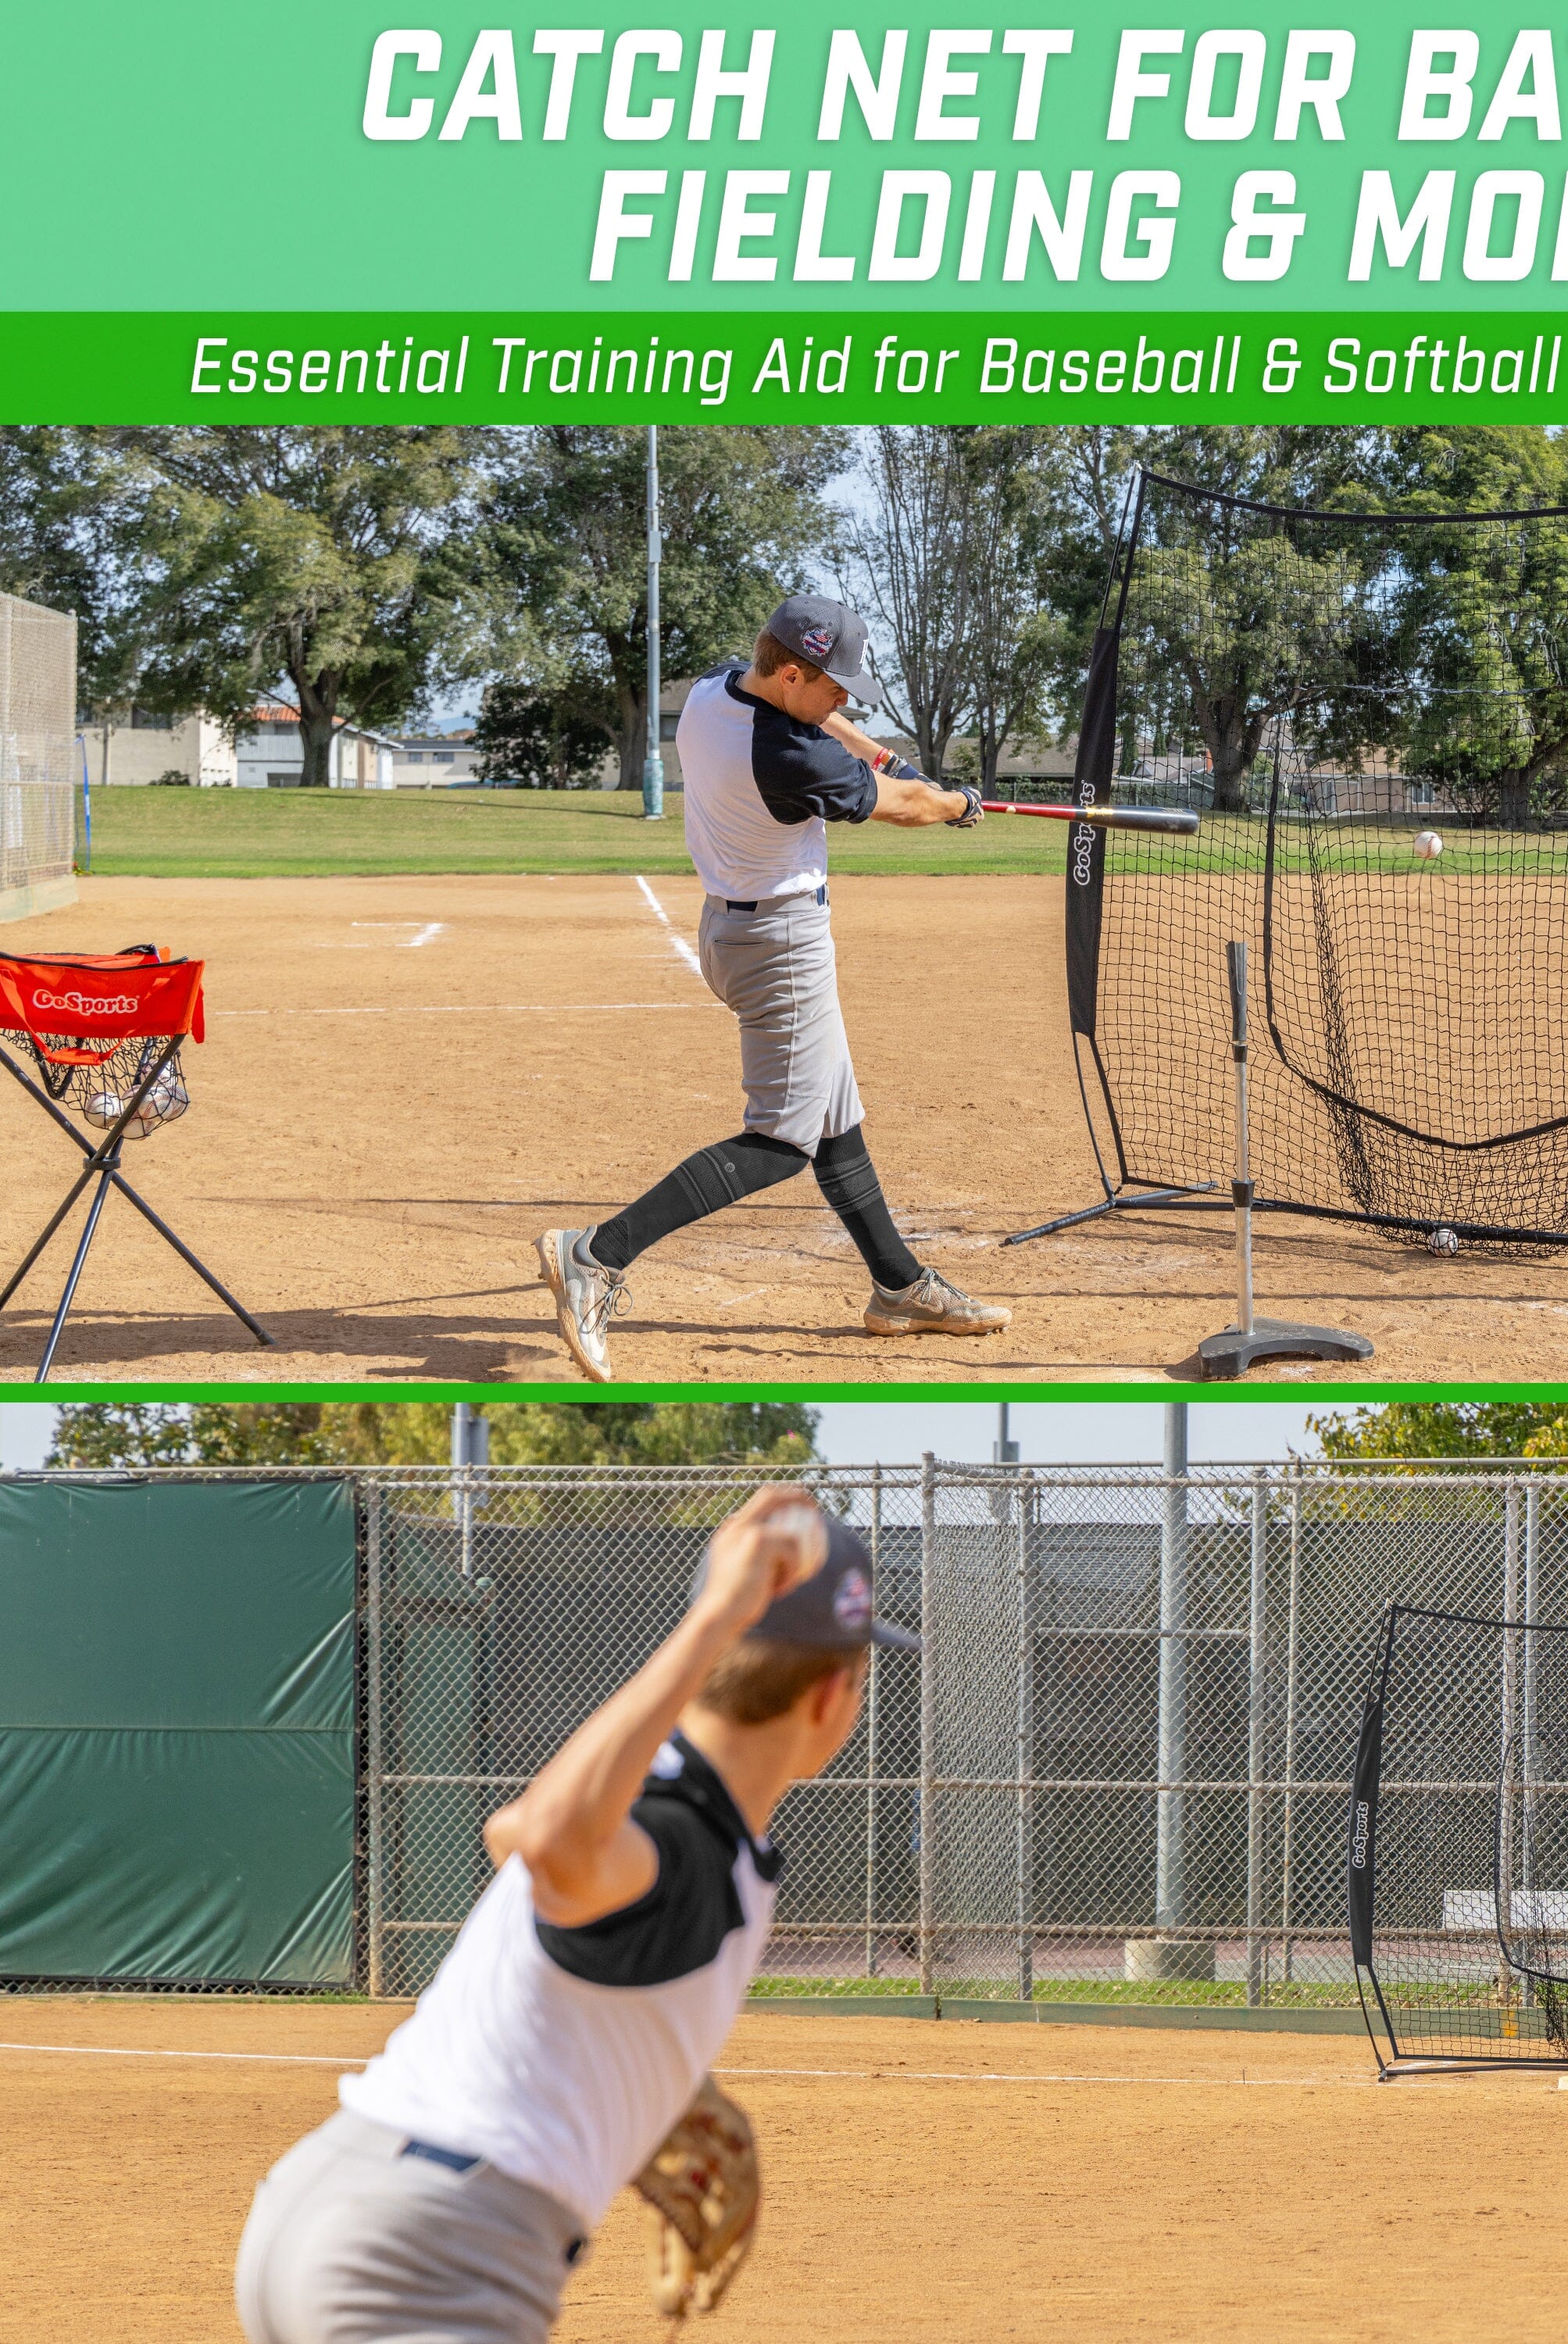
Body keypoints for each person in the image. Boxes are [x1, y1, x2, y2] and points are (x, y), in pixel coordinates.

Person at [235, 1487, 902, 2344]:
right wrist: (713, 1620)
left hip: (322, 2201)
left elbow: (512, 1832)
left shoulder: (655, 1789)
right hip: (436, 2258)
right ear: (831, 1699)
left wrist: (643, 2085)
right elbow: (547, 1842)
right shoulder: (683, 1842)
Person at [539, 591, 1009, 1379]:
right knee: (781, 1144)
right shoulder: (789, 760)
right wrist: (952, 800)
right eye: (834, 687)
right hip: (780, 951)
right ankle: (596, 1253)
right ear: (790, 671)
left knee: (834, 1121)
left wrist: (890, 757)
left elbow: (846, 738)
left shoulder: (716, 687)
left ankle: (899, 1288)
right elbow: (902, 811)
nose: (841, 702)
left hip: (734, 930)